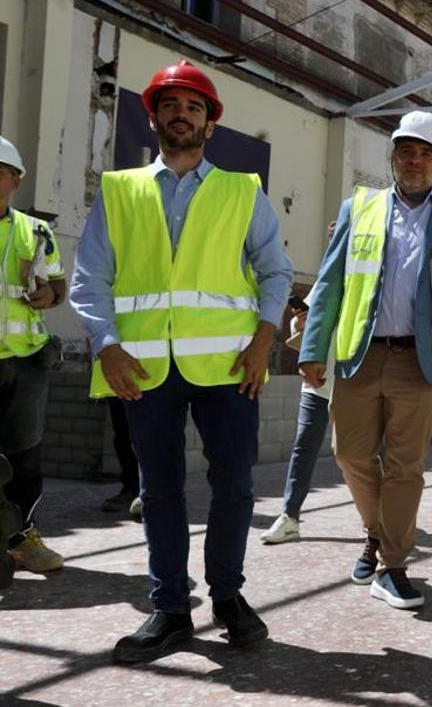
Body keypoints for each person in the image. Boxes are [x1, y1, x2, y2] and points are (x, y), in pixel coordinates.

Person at [70, 61, 293, 662]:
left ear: (209, 123)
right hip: (142, 369)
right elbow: (90, 279)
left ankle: (228, 598)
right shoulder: (120, 192)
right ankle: (170, 609)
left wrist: (262, 341)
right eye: (171, 105)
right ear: (155, 117)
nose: (182, 114)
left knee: (237, 485)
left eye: (194, 107)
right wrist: (107, 346)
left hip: (229, 367)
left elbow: (275, 270)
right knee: (159, 488)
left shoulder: (242, 191)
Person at [298, 110, 432, 611]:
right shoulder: (360, 208)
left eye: (426, 153)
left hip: (421, 364)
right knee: (349, 454)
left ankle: (392, 565)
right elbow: (330, 281)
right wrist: (314, 348)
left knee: (407, 466)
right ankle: (376, 533)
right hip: (360, 353)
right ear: (393, 157)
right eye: (407, 151)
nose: (415, 160)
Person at [0, 134, 68, 574]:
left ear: (15, 180)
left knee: (25, 454)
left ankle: (23, 539)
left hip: (25, 361)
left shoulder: (35, 231)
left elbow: (58, 285)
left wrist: (49, 294)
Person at [261, 220, 338, 545]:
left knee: (358, 454)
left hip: (352, 380)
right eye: (334, 238)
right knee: (303, 446)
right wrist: (299, 321)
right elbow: (303, 323)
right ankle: (290, 516)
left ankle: (376, 521)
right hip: (316, 379)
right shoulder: (324, 277)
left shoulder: (368, 278)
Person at [100, 397, 141, 521]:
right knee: (122, 434)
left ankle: (150, 495)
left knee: (150, 436)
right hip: (118, 387)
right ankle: (130, 489)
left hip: (154, 385)